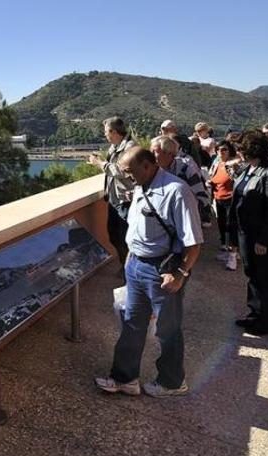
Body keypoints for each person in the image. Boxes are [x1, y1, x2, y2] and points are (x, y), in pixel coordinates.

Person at [94, 147, 203, 398]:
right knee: (132, 322)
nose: (128, 177)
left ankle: (172, 382)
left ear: (147, 165)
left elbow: (194, 241)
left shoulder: (176, 191)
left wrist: (180, 273)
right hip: (136, 266)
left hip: (161, 270)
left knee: (167, 330)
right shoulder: (142, 185)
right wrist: (130, 258)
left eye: (130, 171)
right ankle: (125, 378)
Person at [231, 130, 268, 336]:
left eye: (240, 149)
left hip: (260, 236)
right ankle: (255, 313)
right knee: (252, 275)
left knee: (266, 278)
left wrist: (264, 240)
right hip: (246, 233)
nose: (237, 152)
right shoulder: (248, 170)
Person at [89, 116, 137, 267]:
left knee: (126, 238)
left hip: (125, 200)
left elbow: (122, 171)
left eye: (106, 132)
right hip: (114, 199)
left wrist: (99, 163)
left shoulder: (130, 147)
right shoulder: (114, 147)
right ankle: (125, 265)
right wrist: (103, 162)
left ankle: (129, 271)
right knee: (114, 236)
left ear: (114, 132)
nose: (104, 135)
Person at [150, 136, 211, 212]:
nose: (150, 156)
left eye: (154, 152)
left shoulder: (186, 169)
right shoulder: (152, 172)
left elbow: (202, 198)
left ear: (169, 153)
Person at [207, 140, 239, 270]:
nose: (221, 151)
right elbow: (213, 178)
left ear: (230, 150)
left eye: (224, 149)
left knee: (232, 227)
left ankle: (233, 256)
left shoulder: (233, 164)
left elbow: (237, 179)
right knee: (222, 225)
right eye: (219, 149)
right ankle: (227, 250)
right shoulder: (217, 163)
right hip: (218, 199)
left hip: (231, 200)